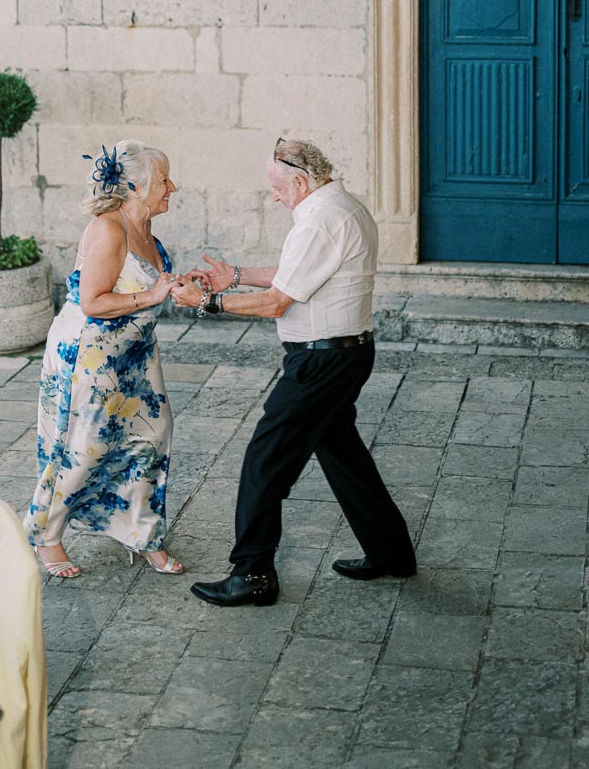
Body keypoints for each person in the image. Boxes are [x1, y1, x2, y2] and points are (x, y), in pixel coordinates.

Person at [172, 137, 416, 607]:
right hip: (344, 354)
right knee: (343, 453)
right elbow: (296, 273)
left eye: (277, 189)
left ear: (300, 181)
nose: (275, 197)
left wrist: (207, 301)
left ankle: (253, 574)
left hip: (321, 362)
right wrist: (235, 275)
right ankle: (391, 553)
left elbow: (278, 301)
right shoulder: (341, 206)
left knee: (265, 460)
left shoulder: (320, 220)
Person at [23, 140, 185, 578]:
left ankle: (141, 531)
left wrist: (180, 287)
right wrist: (152, 295)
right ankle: (46, 535)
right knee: (84, 447)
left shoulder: (145, 226)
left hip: (134, 356)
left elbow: (149, 285)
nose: (173, 186)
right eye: (164, 180)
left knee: (152, 436)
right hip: (89, 356)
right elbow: (93, 301)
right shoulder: (108, 229)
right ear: (134, 187)